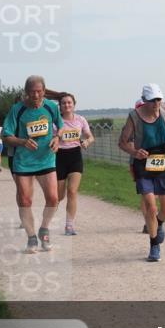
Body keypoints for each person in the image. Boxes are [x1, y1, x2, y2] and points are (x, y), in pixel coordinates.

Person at [118, 84, 165, 262]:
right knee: (152, 207)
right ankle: (154, 246)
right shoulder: (134, 117)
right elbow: (122, 142)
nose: (156, 103)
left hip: (164, 162)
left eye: (158, 99)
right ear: (144, 100)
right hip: (143, 165)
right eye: (152, 100)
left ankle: (158, 224)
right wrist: (134, 152)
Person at [2, 76, 63, 254]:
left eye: (39, 91)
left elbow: (61, 125)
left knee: (53, 198)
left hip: (46, 159)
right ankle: (31, 238)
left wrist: (57, 138)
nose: (36, 95)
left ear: (44, 91)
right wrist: (22, 142)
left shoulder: (51, 107)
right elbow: (6, 136)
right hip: (24, 163)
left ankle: (44, 229)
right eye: (32, 92)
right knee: (25, 201)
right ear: (26, 92)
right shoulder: (17, 110)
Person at [56, 93, 94, 235]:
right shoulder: (56, 121)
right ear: (60, 106)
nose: (67, 105)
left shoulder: (80, 119)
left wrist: (86, 142)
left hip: (75, 157)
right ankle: (47, 220)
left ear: (74, 104)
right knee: (59, 197)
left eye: (69, 103)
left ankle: (69, 225)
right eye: (64, 103)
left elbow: (90, 136)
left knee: (72, 191)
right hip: (59, 157)